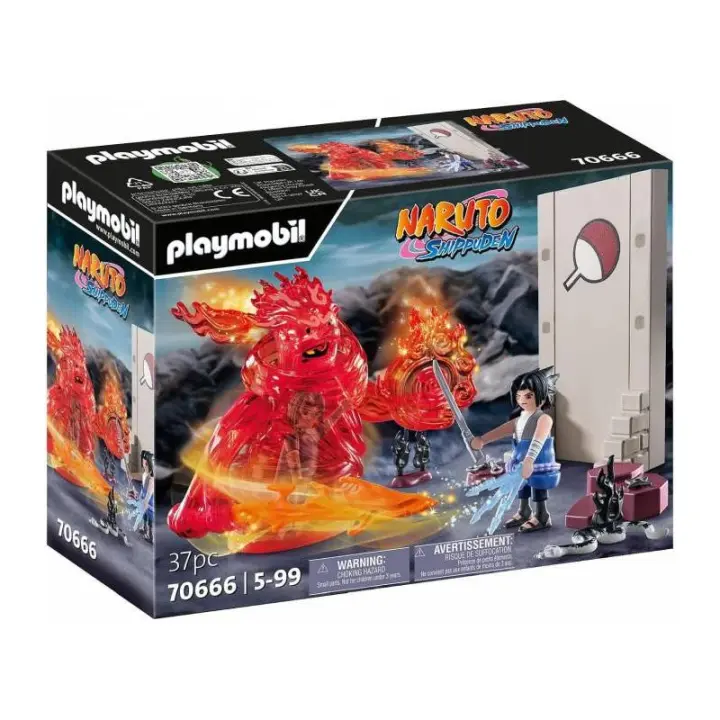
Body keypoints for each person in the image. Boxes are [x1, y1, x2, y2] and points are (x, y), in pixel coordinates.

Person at [471, 369, 561, 532]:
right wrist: (483, 439)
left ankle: (542, 515)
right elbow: (503, 430)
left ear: (542, 396)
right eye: (519, 396)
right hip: (520, 460)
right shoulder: (519, 420)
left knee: (538, 485)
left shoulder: (544, 418)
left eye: (528, 396)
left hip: (538, 460)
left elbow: (538, 440)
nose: (522, 400)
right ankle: (524, 511)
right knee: (521, 487)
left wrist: (529, 460)